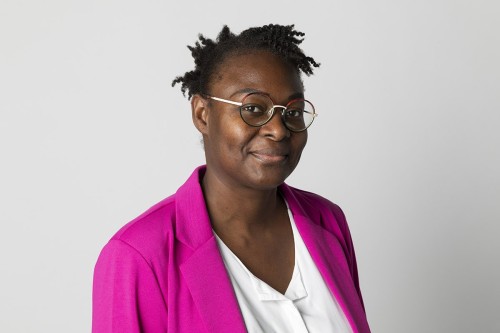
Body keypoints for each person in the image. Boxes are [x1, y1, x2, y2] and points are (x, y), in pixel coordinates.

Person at [92, 24, 371, 333]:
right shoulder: (139, 255)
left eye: (292, 112)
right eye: (253, 108)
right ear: (202, 114)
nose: (278, 130)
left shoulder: (327, 222)